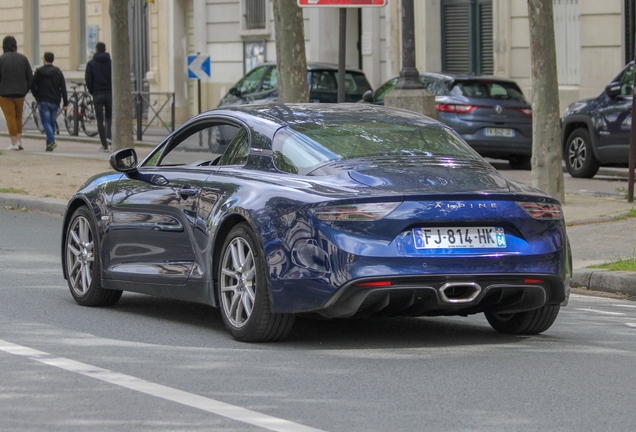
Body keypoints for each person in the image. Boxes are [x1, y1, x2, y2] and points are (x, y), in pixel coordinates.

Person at [30, 52, 68, 152]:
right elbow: (63, 88)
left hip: (43, 100)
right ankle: (49, 145)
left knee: (45, 122)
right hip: (55, 100)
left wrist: (36, 95)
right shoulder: (58, 72)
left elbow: (33, 85)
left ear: (44, 59)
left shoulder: (39, 72)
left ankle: (51, 140)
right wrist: (65, 102)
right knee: (51, 123)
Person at [0, 35, 33, 151]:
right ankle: (19, 141)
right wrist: (25, 89)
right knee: (19, 117)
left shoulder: (1, 59)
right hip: (20, 94)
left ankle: (13, 142)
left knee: (10, 118)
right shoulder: (23, 58)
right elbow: (30, 76)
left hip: (5, 94)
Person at [85, 41, 112, 152]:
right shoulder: (110, 63)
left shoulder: (91, 64)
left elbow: (88, 80)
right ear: (105, 49)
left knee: (100, 120)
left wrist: (93, 91)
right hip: (109, 93)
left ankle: (104, 145)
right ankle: (109, 135)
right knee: (109, 117)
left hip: (97, 94)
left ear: (96, 49)